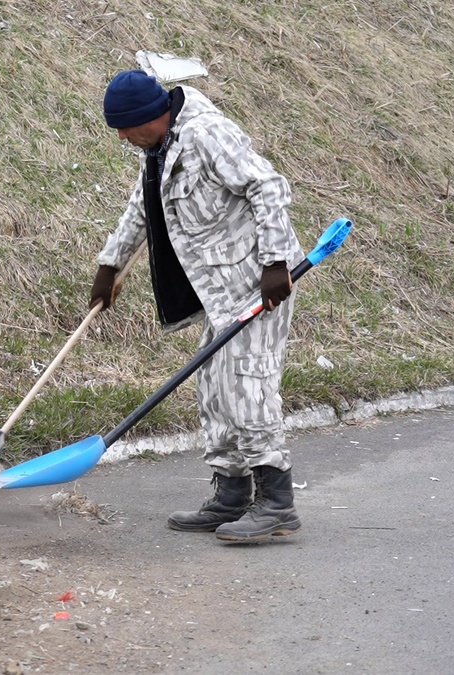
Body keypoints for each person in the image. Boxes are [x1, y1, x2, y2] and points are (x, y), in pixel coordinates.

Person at [89, 69, 304, 543]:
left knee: (247, 386)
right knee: (214, 387)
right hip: (220, 292)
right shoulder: (160, 149)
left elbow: (266, 186)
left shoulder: (209, 135)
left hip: (258, 284)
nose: (122, 137)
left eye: (125, 127)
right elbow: (142, 208)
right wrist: (110, 265)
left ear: (152, 116)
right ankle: (232, 494)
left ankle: (277, 503)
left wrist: (274, 263)